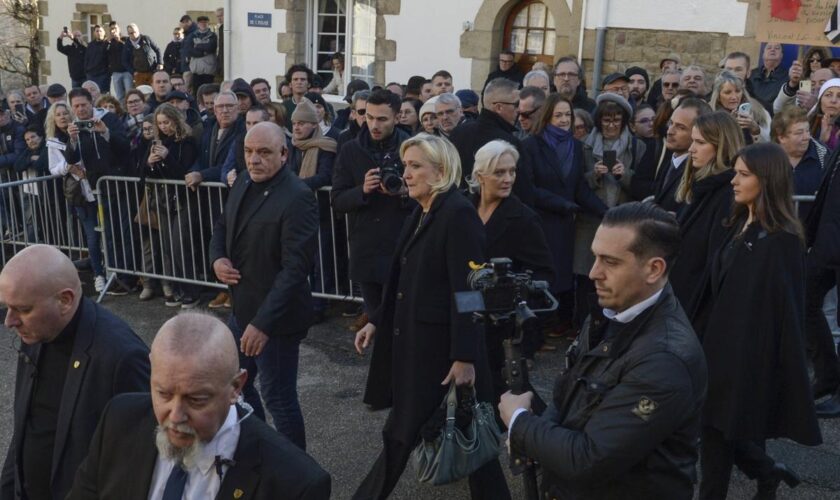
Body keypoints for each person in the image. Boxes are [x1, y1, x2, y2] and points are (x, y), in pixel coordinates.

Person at [499, 202, 708, 500]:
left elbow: (589, 458)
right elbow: (568, 393)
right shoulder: (610, 311)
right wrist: (539, 440)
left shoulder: (665, 360)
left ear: (654, 269)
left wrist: (520, 421)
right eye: (595, 257)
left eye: (610, 262)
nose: (593, 272)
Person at [353, 133, 511, 500]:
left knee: (402, 434)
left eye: (415, 166)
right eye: (405, 165)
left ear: (440, 170)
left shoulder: (457, 215)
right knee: (470, 440)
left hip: (440, 355)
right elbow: (400, 281)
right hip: (417, 348)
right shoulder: (422, 211)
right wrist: (376, 319)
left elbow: (471, 292)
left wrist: (465, 357)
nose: (406, 174)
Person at [65, 312, 331, 500]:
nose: (175, 415)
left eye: (196, 400)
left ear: (236, 387)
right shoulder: (120, 420)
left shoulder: (294, 483)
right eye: (163, 393)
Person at [695, 143, 821, 498]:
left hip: (746, 358)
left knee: (717, 437)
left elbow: (781, 312)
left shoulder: (781, 240)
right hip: (716, 349)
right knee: (716, 431)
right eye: (735, 172)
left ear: (767, 180)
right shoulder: (738, 222)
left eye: (743, 175)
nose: (734, 180)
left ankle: (763, 473)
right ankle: (768, 471)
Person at [0, 245, 150, 500]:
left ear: (65, 300)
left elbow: (135, 464)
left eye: (23, 309)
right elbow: (28, 424)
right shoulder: (36, 330)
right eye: (7, 307)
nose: (9, 321)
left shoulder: (121, 357)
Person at [210, 122, 319, 451]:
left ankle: (297, 474)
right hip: (242, 310)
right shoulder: (243, 179)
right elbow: (223, 224)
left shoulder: (298, 197)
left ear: (284, 154)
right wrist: (217, 259)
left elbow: (295, 269)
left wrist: (263, 324)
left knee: (280, 399)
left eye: (264, 152)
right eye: (248, 152)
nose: (254, 159)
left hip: (276, 321)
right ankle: (260, 445)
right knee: (235, 383)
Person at [521, 94, 607, 341]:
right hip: (539, 222)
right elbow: (529, 188)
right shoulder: (531, 146)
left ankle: (548, 329)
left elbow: (580, 187)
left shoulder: (577, 147)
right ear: (547, 116)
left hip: (564, 225)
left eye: (567, 115)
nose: (562, 120)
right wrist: (562, 204)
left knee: (560, 279)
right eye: (557, 115)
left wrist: (605, 212)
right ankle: (532, 337)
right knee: (539, 278)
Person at [331, 89, 414, 326]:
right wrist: (362, 191)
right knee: (376, 323)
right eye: (369, 117)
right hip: (366, 249)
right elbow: (337, 200)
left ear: (397, 117)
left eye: (382, 119)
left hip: (403, 248)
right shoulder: (350, 149)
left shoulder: (412, 147)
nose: (373, 125)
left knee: (402, 323)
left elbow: (432, 197)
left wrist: (405, 192)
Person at [469, 138, 554, 366]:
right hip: (465, 311)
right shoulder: (463, 209)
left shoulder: (524, 219)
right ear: (480, 176)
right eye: (499, 173)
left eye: (512, 171)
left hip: (503, 325)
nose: (508, 179)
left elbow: (544, 273)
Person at [575, 93, 647, 328]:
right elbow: (576, 185)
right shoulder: (585, 146)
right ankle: (585, 325)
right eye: (606, 120)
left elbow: (643, 185)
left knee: (618, 275)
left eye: (616, 120)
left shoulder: (637, 147)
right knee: (589, 277)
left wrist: (623, 174)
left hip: (623, 222)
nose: (611, 125)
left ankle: (613, 324)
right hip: (590, 222)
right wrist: (594, 174)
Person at [667, 111, 743, 322]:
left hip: (699, 309)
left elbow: (715, 262)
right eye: (693, 141)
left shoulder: (728, 194)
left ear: (721, 146)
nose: (691, 149)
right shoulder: (701, 188)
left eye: (700, 142)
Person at [44, 101, 106, 290]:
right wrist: (69, 167)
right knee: (92, 236)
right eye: (59, 114)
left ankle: (112, 268)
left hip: (98, 185)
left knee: (108, 232)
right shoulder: (53, 142)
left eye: (65, 113)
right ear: (53, 119)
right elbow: (53, 168)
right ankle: (99, 274)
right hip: (79, 193)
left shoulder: (84, 129)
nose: (63, 116)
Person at [450, 77, 535, 205]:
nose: (519, 110)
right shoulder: (509, 144)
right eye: (516, 104)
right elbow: (523, 191)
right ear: (499, 107)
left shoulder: (458, 132)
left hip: (459, 210)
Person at [653, 98, 713, 213]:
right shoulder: (671, 160)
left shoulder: (700, 174)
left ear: (699, 132)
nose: (670, 131)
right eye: (671, 123)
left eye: (681, 127)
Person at [772, 105, 826, 221]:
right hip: (775, 229)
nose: (807, 137)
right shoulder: (766, 159)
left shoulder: (824, 156)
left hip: (814, 231)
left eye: (807, 131)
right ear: (781, 137)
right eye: (799, 133)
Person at [709, 70, 771, 143]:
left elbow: (770, 141)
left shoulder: (757, 110)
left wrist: (756, 130)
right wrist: (728, 125)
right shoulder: (709, 113)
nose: (734, 97)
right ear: (718, 96)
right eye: (728, 92)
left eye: (738, 91)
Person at [749, 42, 788, 111]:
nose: (772, 50)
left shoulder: (788, 77)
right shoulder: (751, 74)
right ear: (763, 54)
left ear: (781, 55)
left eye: (777, 48)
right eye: (769, 48)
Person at [184, 15, 218, 94]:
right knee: (197, 92)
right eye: (201, 23)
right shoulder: (192, 35)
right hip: (196, 71)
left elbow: (211, 47)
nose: (203, 24)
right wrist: (203, 52)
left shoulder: (213, 35)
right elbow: (189, 50)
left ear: (208, 24)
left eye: (205, 22)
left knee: (209, 92)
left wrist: (197, 46)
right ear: (198, 24)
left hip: (208, 70)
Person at [809, 78, 840, 149]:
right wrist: (822, 141)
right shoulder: (807, 125)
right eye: (828, 95)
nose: (833, 100)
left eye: (839, 96)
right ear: (820, 100)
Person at [107, 22, 132, 101]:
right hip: (116, 72)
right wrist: (108, 41)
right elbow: (103, 52)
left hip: (126, 71)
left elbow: (129, 50)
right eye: (111, 29)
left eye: (115, 28)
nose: (113, 31)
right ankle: (122, 112)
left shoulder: (125, 39)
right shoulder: (109, 42)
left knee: (129, 94)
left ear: (119, 29)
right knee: (120, 96)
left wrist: (119, 40)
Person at [83, 25, 110, 95]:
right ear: (94, 33)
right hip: (91, 74)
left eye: (100, 31)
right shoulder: (91, 45)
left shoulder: (107, 44)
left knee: (102, 95)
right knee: (90, 95)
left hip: (103, 75)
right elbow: (87, 58)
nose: (98, 33)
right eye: (97, 31)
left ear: (104, 32)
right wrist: (86, 70)